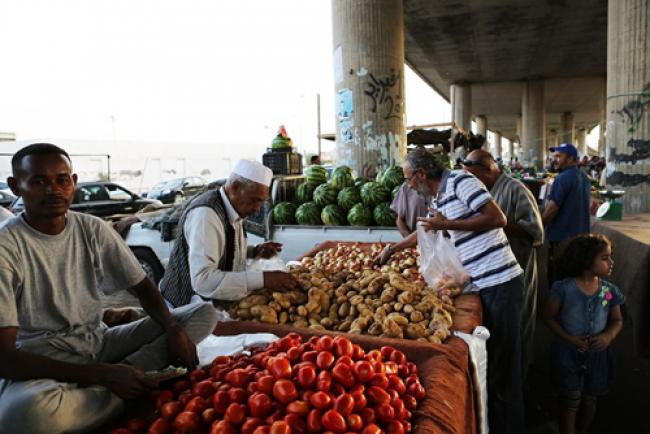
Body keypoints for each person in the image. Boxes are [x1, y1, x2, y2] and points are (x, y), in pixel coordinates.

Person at [0, 143, 219, 433]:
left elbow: (143, 286)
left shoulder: (92, 229)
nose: (54, 190)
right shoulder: (7, 246)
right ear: (16, 187)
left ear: (74, 183)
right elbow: (6, 360)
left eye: (62, 180)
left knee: (203, 313)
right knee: (27, 416)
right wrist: (100, 375)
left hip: (99, 343)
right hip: (43, 360)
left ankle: (127, 376)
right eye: (39, 181)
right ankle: (123, 389)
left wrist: (172, 328)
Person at [405, 147, 526, 433]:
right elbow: (426, 229)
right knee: (496, 364)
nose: (408, 185)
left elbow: (498, 218)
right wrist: (393, 248)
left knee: (505, 367)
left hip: (502, 282)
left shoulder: (460, 181)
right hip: (484, 283)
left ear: (422, 174)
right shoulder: (439, 196)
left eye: (409, 179)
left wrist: (447, 223)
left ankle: (512, 427)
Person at [160, 159, 298, 307]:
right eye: (254, 201)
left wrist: (254, 251)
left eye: (261, 202)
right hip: (183, 308)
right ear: (235, 187)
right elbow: (203, 280)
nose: (257, 209)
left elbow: (225, 248)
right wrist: (263, 279)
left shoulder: (234, 206)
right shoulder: (206, 215)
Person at [463, 150, 544, 378]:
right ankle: (501, 378)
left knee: (517, 327)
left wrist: (492, 222)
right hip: (491, 272)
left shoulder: (515, 189)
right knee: (498, 331)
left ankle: (521, 379)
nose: (470, 181)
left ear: (488, 169)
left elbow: (535, 232)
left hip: (516, 269)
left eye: (473, 175)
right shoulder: (480, 190)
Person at [543, 234, 623, 434]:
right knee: (571, 399)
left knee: (590, 399)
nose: (611, 262)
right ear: (587, 261)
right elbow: (549, 318)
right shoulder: (564, 289)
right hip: (568, 354)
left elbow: (616, 320)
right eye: (605, 258)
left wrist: (608, 336)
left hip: (597, 355)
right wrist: (569, 338)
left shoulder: (606, 291)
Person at [542, 143, 591, 284]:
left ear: (570, 158)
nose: (555, 159)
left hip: (562, 240)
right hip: (582, 238)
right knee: (576, 279)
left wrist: (539, 227)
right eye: (554, 156)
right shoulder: (584, 177)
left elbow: (552, 208)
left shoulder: (562, 179)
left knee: (558, 280)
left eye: (559, 156)